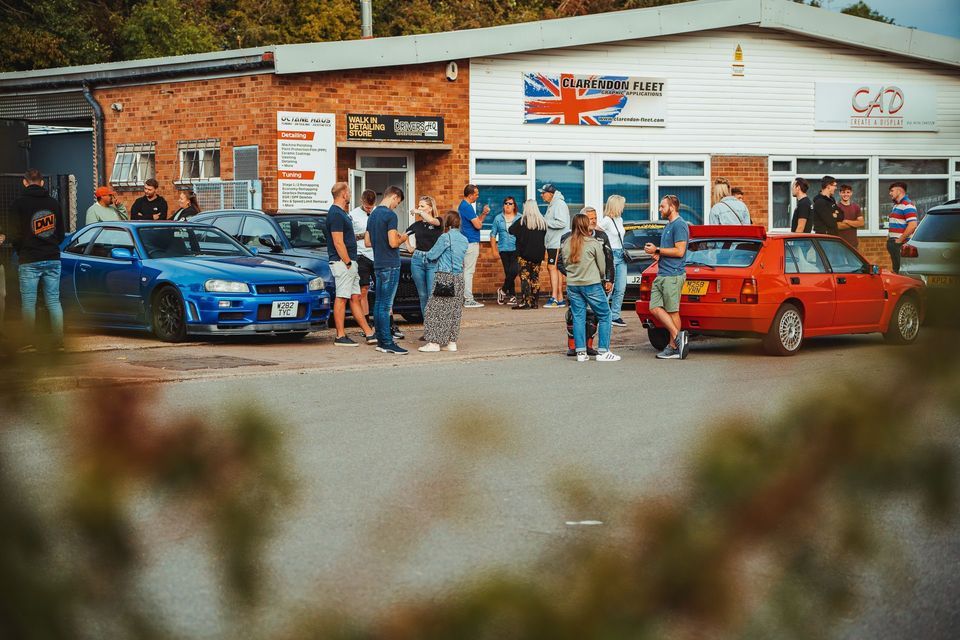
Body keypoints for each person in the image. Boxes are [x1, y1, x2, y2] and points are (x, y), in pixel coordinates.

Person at [9, 169, 65, 352]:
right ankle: (58, 343)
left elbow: (14, 234)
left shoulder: (18, 204)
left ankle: (28, 343)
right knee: (54, 301)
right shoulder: (54, 203)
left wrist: (21, 249)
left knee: (28, 302)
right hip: (52, 257)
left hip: (29, 259)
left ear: (25, 183)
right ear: (42, 183)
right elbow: (61, 233)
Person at [560, 213, 620, 363]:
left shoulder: (567, 243)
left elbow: (565, 264)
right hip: (591, 283)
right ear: (585, 225)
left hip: (573, 284)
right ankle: (603, 351)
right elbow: (602, 266)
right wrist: (602, 277)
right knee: (605, 315)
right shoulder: (593, 243)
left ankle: (581, 352)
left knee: (578, 317)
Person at [325, 182, 375, 347]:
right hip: (343, 262)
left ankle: (369, 332)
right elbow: (338, 241)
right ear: (343, 194)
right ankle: (340, 335)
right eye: (349, 192)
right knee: (342, 297)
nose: (350, 195)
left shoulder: (341, 213)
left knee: (355, 297)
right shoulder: (336, 214)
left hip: (350, 261)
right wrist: (347, 261)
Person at [644, 195, 690, 360]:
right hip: (663, 273)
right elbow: (669, 250)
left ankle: (673, 346)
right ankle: (679, 337)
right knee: (654, 307)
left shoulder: (680, 225)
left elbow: (679, 251)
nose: (660, 209)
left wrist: (657, 250)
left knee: (672, 311)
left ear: (672, 207)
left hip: (673, 274)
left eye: (662, 206)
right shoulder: (669, 225)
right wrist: (658, 255)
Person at [365, 185, 408, 354]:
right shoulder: (390, 215)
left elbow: (368, 242)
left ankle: (381, 339)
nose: (396, 205)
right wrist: (403, 237)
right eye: (397, 202)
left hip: (378, 263)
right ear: (394, 197)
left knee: (378, 303)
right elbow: (393, 242)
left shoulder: (373, 214)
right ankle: (387, 342)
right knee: (386, 305)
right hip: (391, 263)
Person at [419, 211, 469, 353]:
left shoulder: (445, 237)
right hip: (459, 277)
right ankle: (452, 342)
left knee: (434, 310)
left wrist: (420, 253)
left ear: (446, 223)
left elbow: (432, 255)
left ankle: (434, 343)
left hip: (444, 277)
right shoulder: (464, 239)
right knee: (454, 311)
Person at [405, 195, 443, 318]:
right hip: (417, 260)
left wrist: (419, 212)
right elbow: (404, 234)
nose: (419, 208)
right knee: (422, 294)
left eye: (422, 206)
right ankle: (427, 325)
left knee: (432, 293)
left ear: (430, 208)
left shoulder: (438, 221)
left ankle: (435, 325)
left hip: (433, 260)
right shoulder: (417, 225)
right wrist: (409, 246)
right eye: (418, 206)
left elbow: (432, 221)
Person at [509, 200, 547, 310]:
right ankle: (535, 302)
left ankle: (526, 302)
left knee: (525, 277)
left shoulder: (522, 221)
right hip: (538, 255)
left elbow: (510, 230)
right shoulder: (542, 222)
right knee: (535, 278)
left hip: (524, 254)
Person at [598, 195, 628, 327]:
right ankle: (601, 316)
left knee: (621, 287)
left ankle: (615, 316)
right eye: (622, 204)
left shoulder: (619, 219)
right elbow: (595, 232)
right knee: (609, 287)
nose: (623, 207)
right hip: (611, 255)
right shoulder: (606, 220)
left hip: (621, 254)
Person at [457, 184, 489, 308]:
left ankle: (465, 297)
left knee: (466, 270)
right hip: (470, 241)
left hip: (467, 241)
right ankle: (468, 299)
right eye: (476, 194)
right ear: (470, 195)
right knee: (468, 271)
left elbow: (477, 221)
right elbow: (478, 225)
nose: (478, 196)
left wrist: (484, 214)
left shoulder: (466, 206)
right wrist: (481, 218)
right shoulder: (467, 207)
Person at [349, 189, 377, 320]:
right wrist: (363, 235)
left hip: (377, 255)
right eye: (367, 207)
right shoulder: (353, 214)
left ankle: (387, 322)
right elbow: (348, 236)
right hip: (361, 254)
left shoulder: (378, 213)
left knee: (383, 290)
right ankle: (365, 322)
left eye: (371, 207)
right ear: (362, 201)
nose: (369, 210)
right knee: (363, 289)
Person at [541, 183, 570, 308]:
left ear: (551, 193)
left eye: (543, 193)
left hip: (557, 242)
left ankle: (554, 298)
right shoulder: (553, 204)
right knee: (556, 269)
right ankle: (559, 298)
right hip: (553, 242)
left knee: (552, 267)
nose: (542, 195)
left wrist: (544, 221)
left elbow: (562, 223)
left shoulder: (559, 204)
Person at [489, 196, 520, 305]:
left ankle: (502, 291)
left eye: (510, 203)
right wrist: (494, 250)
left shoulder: (519, 218)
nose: (508, 205)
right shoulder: (498, 218)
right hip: (503, 249)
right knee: (508, 272)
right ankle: (512, 296)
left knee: (514, 271)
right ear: (503, 205)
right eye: (506, 203)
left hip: (516, 249)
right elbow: (493, 234)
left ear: (514, 206)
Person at [886, 181, 918, 274]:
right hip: (894, 243)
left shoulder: (907, 205)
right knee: (896, 270)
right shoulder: (896, 205)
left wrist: (900, 240)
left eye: (892, 191)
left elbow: (912, 225)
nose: (890, 193)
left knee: (902, 271)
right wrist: (889, 237)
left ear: (899, 191)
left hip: (901, 244)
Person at [836, 184, 864, 248]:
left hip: (853, 243)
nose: (846, 194)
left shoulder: (856, 207)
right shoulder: (836, 207)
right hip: (839, 243)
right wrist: (854, 223)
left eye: (848, 192)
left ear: (851, 193)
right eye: (843, 192)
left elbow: (861, 223)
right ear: (840, 193)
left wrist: (846, 221)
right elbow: (837, 226)